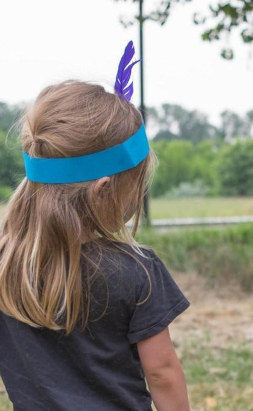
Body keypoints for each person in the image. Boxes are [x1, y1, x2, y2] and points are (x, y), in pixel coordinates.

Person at [0, 42, 190, 411]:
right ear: (104, 191)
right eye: (135, 184)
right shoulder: (138, 272)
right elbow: (163, 372)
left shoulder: (6, 264)